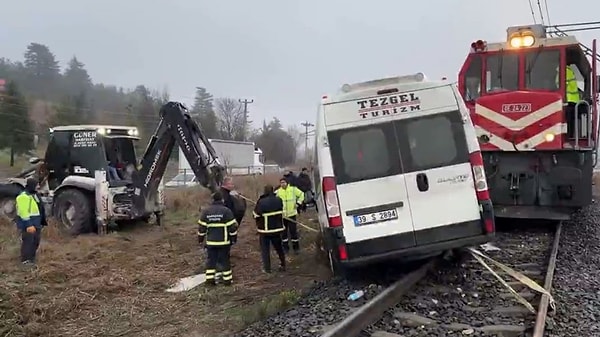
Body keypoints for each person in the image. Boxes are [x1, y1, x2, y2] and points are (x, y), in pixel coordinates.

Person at [197, 191, 238, 286]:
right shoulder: (226, 211)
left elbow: (202, 228)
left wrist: (200, 239)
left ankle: (210, 280)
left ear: (213, 199)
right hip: (224, 242)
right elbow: (232, 227)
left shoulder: (206, 212)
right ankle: (227, 281)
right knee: (225, 260)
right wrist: (233, 238)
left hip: (211, 242)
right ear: (222, 200)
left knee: (211, 261)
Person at [253, 184, 286, 273]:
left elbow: (256, 214)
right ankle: (283, 264)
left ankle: (267, 268)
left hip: (265, 230)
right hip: (277, 229)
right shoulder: (279, 200)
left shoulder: (261, 202)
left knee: (265, 250)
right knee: (279, 248)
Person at [15, 178, 47, 266]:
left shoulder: (34, 194)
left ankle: (31, 259)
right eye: (37, 185)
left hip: (36, 222)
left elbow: (39, 208)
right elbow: (23, 212)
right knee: (28, 242)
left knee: (35, 241)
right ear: (32, 185)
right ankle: (25, 261)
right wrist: (29, 225)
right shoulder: (23, 196)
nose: (38, 187)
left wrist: (42, 222)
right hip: (29, 223)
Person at [275, 176, 304, 254]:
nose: (282, 184)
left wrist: (298, 203)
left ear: (287, 183)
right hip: (283, 216)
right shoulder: (278, 192)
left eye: (283, 182)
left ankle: (296, 248)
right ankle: (285, 248)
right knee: (284, 233)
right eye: (281, 183)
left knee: (293, 232)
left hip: (292, 214)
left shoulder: (293, 189)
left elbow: (302, 194)